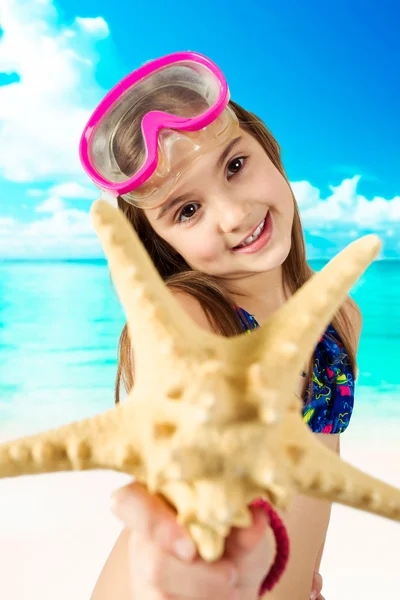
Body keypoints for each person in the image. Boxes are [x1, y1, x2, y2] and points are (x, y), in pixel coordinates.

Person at [80, 52, 362, 599]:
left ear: (268, 150)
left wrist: (300, 573)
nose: (232, 215)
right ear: (163, 242)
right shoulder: (191, 318)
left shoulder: (339, 316)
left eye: (235, 166)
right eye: (186, 211)